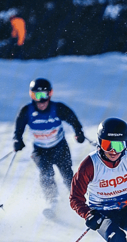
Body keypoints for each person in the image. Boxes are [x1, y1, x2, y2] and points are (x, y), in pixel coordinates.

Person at [13, 78, 85, 216]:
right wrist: (17, 140)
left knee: (67, 173)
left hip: (59, 147)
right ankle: (52, 201)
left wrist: (79, 132)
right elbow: (19, 128)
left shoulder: (57, 108)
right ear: (31, 95)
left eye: (44, 95)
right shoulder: (26, 111)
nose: (41, 101)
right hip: (40, 150)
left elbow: (72, 119)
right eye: (36, 96)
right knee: (46, 173)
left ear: (50, 94)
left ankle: (79, 199)